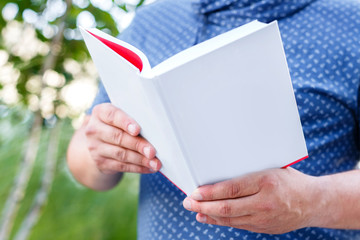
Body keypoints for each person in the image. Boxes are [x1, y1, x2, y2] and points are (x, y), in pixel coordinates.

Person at [67, 0, 360, 239]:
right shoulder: (149, 22)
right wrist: (101, 150)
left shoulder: (351, 23)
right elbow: (84, 152)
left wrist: (313, 202)